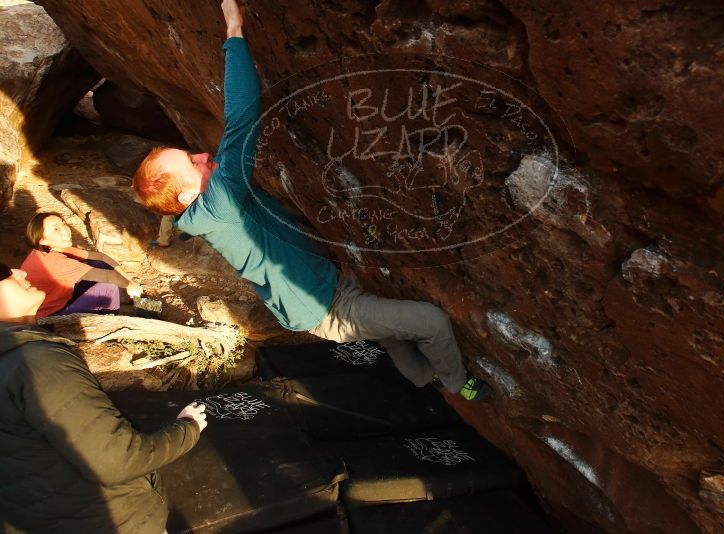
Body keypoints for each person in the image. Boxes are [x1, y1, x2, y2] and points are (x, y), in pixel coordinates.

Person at [133, 0, 491, 401]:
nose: (201, 155)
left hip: (320, 292)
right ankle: (461, 385)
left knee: (393, 334)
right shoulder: (219, 203)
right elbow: (243, 119)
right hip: (330, 309)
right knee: (432, 322)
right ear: (186, 194)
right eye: (191, 162)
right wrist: (234, 32)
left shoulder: (209, 209)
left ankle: (424, 379)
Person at [0, 263, 207, 533]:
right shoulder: (35, 363)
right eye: (4, 272)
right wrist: (188, 429)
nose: (21, 272)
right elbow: (117, 460)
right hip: (112, 522)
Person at [21, 212, 143, 318]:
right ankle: (110, 320)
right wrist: (129, 285)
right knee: (107, 287)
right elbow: (108, 277)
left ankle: (121, 300)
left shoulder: (53, 247)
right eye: (56, 229)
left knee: (98, 264)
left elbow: (100, 257)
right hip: (50, 317)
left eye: (64, 224)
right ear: (42, 240)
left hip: (62, 300)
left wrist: (129, 280)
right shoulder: (53, 262)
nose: (65, 230)